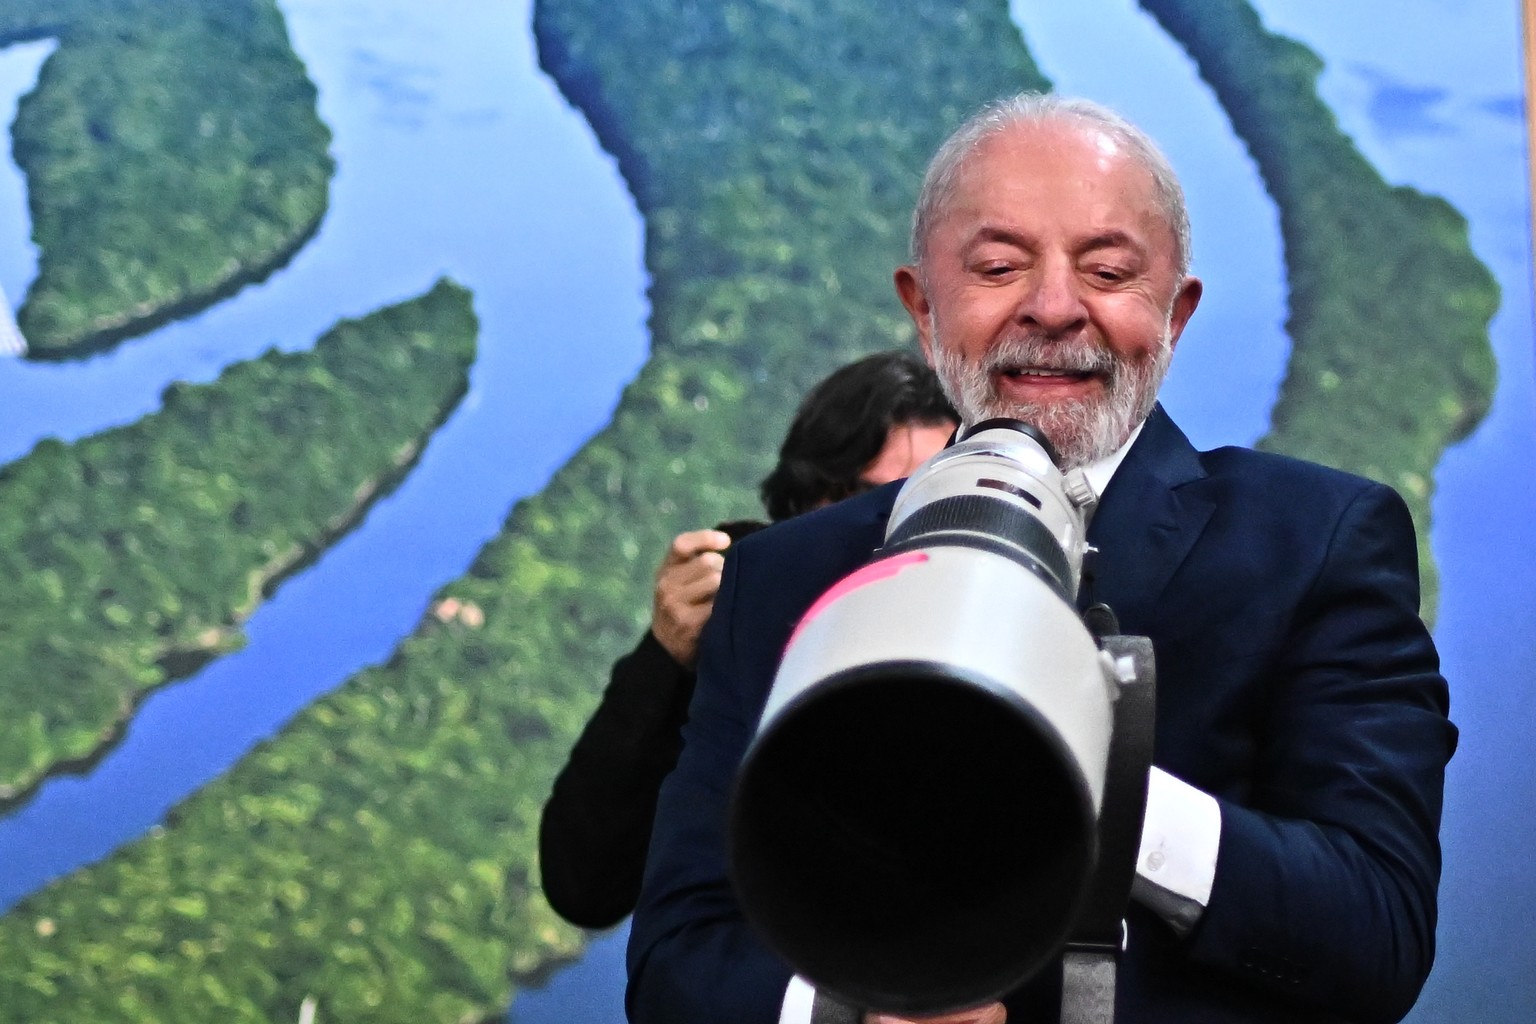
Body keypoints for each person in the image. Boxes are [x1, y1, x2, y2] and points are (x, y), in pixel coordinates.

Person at [626, 93, 1456, 1024]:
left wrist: (1099, 782)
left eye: (1106, 270)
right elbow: (675, 962)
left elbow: (1377, 938)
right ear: (923, 307)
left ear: (1175, 313)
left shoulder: (1317, 540)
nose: (1055, 308)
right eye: (998, 266)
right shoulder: (783, 579)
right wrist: (854, 1012)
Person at [539, 350, 958, 930]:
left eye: (926, 506)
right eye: (868, 503)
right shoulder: (747, 634)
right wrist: (665, 660)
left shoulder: (979, 642)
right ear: (804, 505)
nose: (892, 535)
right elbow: (585, 883)